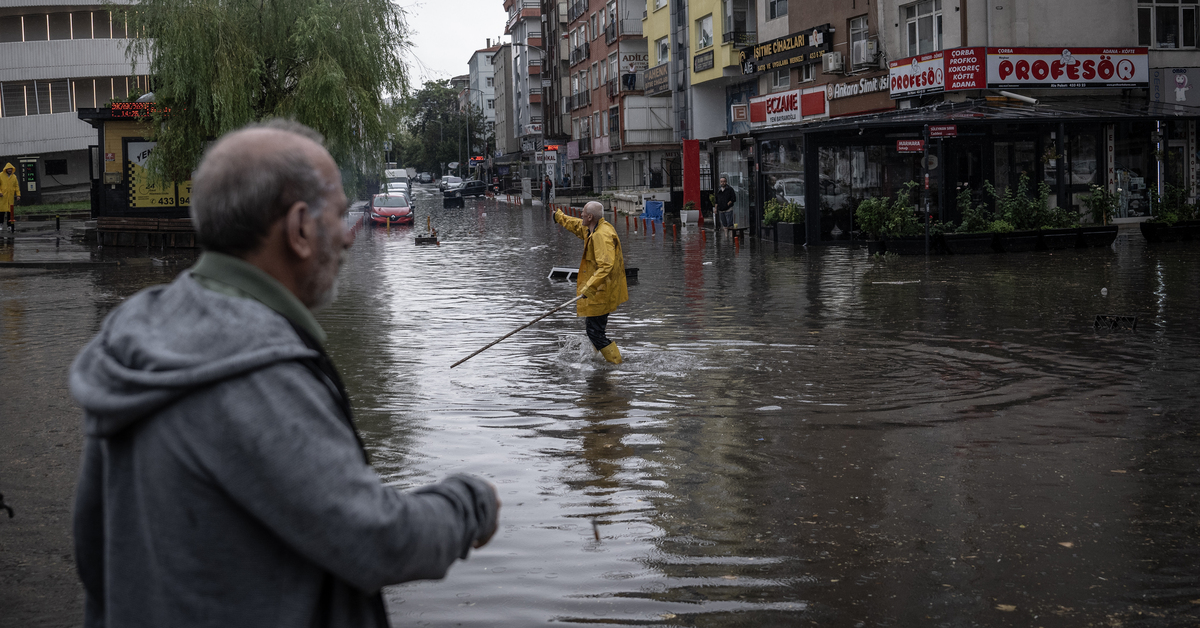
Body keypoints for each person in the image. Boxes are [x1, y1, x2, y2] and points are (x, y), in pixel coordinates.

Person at [69, 120, 499, 628]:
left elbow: (92, 549)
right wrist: (468, 503)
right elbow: (376, 541)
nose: (347, 236)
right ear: (298, 230)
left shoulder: (137, 336)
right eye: (339, 216)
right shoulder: (253, 367)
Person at [552, 201, 628, 364]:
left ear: (590, 216)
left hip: (601, 291)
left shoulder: (602, 235)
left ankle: (616, 364)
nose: (581, 216)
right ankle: (601, 362)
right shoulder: (593, 228)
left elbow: (606, 265)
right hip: (598, 290)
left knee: (594, 332)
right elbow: (578, 226)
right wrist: (560, 217)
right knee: (594, 329)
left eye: (584, 214)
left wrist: (589, 287)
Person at [0, 163, 20, 233]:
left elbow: (16, 186)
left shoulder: (14, 177)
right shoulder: (1, 175)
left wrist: (18, 195)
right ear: (6, 169)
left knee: (10, 212)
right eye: (8, 169)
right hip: (3, 196)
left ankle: (9, 225)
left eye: (11, 169)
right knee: (1, 211)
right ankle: (1, 224)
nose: (9, 170)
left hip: (10, 196)